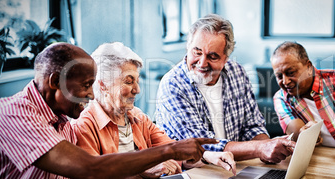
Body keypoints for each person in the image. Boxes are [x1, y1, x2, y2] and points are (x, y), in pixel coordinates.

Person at [0, 42, 219, 178]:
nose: (92, 95)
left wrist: (201, 155)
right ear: (56, 82)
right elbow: (91, 169)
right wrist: (169, 152)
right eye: (86, 86)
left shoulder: (63, 121)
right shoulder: (13, 113)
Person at [72, 42, 236, 178]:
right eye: (129, 82)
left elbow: (176, 151)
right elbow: (93, 175)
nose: (137, 90)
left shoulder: (138, 117)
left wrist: (209, 157)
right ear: (103, 85)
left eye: (137, 81)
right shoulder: (84, 126)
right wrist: (142, 169)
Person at [155, 14, 295, 164]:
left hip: (233, 168)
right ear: (187, 48)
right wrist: (260, 148)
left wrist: (269, 148)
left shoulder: (237, 73)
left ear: (226, 58)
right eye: (197, 52)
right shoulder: (172, 85)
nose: (202, 63)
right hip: (193, 172)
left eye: (212, 56)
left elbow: (252, 126)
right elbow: (201, 146)